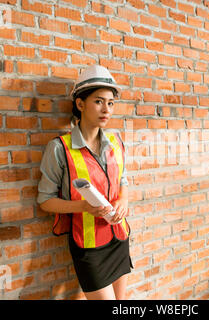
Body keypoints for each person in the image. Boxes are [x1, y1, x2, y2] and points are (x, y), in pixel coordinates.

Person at [37, 65, 132, 300]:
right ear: (80, 104)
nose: (106, 110)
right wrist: (82, 206)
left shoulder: (115, 140)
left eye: (110, 103)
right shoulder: (59, 148)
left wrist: (124, 199)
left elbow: (123, 180)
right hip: (88, 247)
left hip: (119, 237)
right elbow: (45, 201)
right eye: (99, 101)